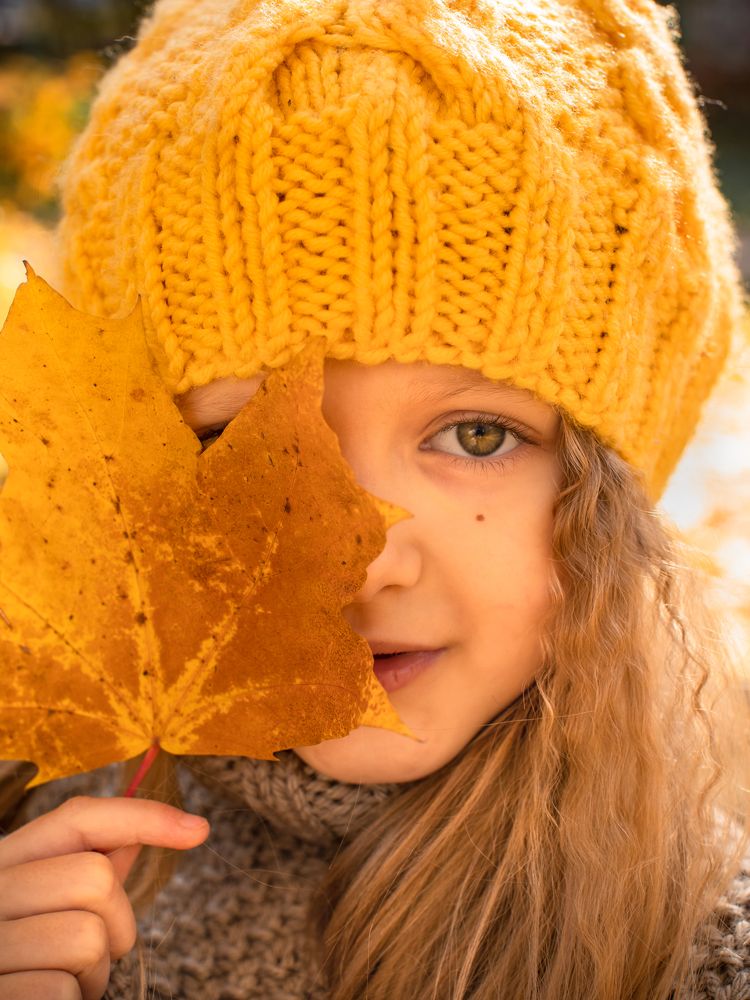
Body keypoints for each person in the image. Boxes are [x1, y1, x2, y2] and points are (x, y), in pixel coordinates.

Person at [1, 0, 749, 997]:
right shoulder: (28, 851)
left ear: (607, 496)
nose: (357, 558)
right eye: (241, 444)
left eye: (476, 436)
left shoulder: (691, 945)